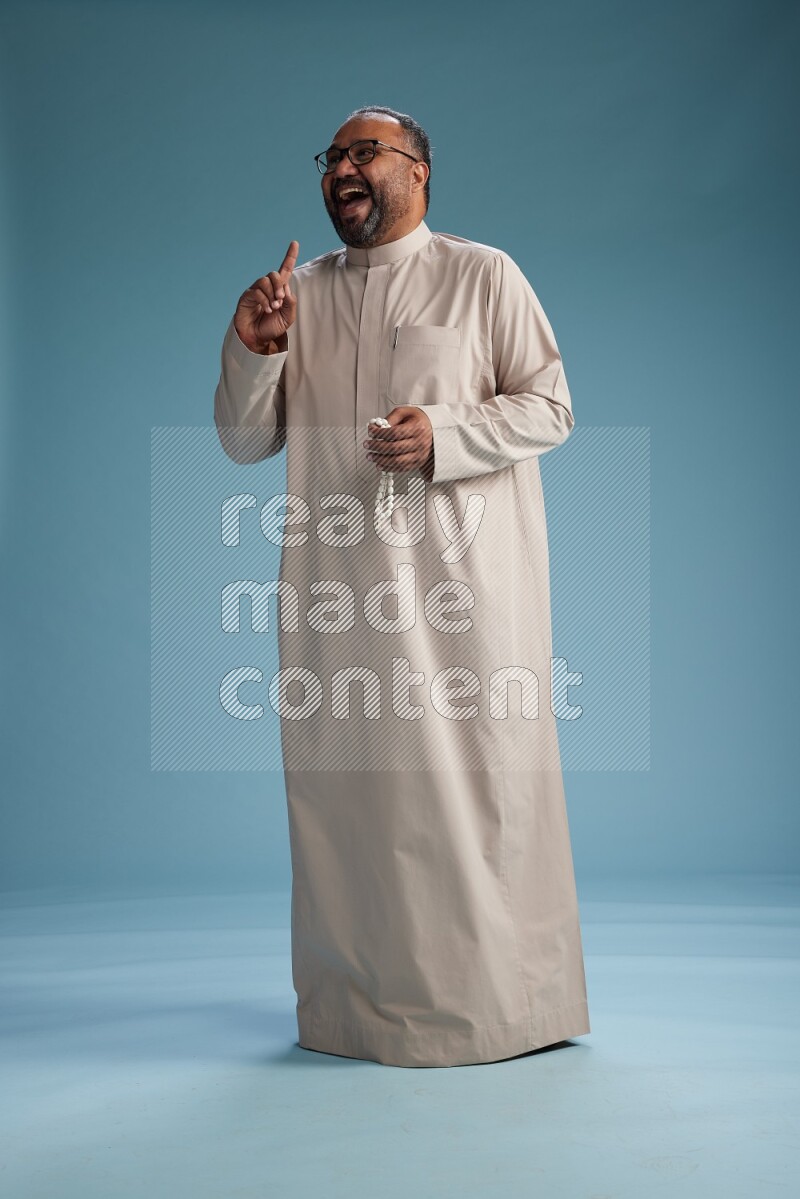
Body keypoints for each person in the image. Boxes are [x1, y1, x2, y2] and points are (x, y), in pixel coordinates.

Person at [213, 105, 590, 1068]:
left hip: (465, 603)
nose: (343, 167)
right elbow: (244, 440)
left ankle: (506, 1009)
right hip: (339, 604)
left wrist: (446, 438)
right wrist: (257, 350)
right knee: (353, 814)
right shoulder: (299, 292)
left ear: (419, 172)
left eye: (364, 152)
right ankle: (354, 1014)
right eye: (332, 156)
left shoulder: (482, 274)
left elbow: (550, 405)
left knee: (479, 801)